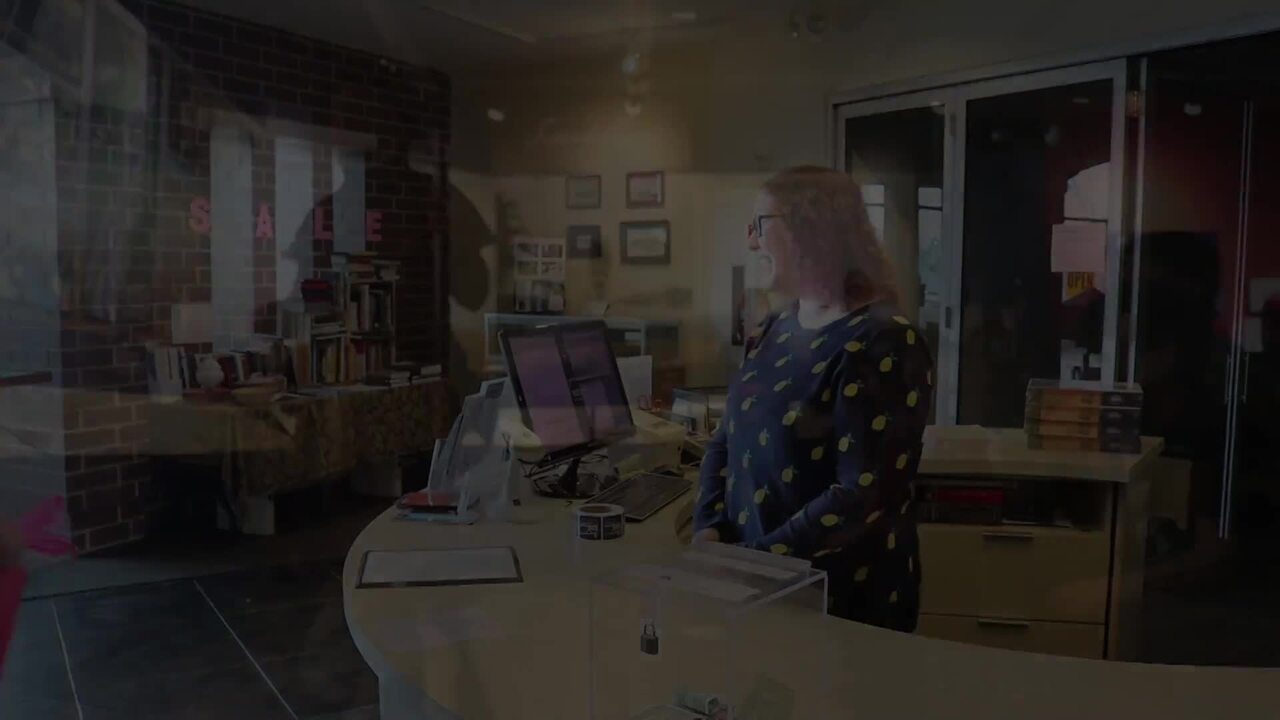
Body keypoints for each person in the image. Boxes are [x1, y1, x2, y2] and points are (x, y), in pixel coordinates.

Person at [693, 166, 933, 632]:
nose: (750, 241)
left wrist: (752, 564)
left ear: (811, 230)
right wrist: (708, 528)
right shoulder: (773, 328)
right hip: (754, 588)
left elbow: (859, 496)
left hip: (839, 603)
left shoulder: (885, 342)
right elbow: (726, 440)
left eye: (760, 224)